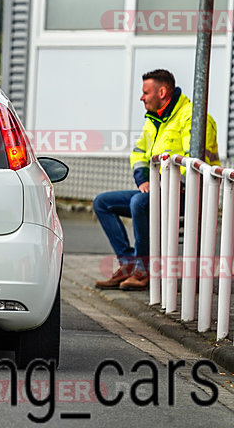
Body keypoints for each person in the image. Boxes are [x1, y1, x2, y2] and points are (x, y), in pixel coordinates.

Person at [94, 69, 219, 291]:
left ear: (162, 92)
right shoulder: (153, 120)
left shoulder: (194, 117)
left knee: (139, 203)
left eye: (145, 92)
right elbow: (139, 153)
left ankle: (145, 269)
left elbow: (197, 163)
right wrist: (143, 180)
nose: (142, 98)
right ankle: (129, 262)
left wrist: (166, 185)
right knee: (102, 202)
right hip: (159, 191)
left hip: (188, 195)